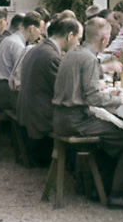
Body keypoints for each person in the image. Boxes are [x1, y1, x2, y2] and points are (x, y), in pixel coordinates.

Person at [52, 17, 123, 210]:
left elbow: (84, 90)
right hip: (76, 120)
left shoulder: (73, 53)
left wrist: (106, 93)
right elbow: (93, 98)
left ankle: (99, 187)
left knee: (113, 136)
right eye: (109, 38)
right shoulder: (88, 58)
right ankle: (117, 194)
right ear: (104, 38)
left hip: (61, 117)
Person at [16, 17, 81, 166]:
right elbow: (68, 92)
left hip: (30, 109)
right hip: (41, 115)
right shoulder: (50, 55)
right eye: (78, 38)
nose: (78, 43)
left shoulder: (39, 48)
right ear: (69, 36)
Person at [0, 11, 43, 110]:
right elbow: (20, 75)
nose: (40, 35)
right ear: (32, 29)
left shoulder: (10, 39)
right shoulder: (18, 45)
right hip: (4, 92)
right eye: (39, 30)